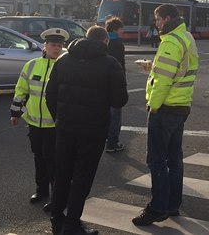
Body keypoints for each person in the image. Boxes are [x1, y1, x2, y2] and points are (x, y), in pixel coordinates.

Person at [46, 26, 128, 235]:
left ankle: (57, 218)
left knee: (62, 173)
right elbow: (120, 100)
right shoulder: (110, 64)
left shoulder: (63, 60)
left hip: (65, 127)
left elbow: (50, 94)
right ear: (105, 42)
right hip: (93, 130)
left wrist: (60, 116)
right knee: (82, 177)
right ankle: (73, 224)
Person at [132, 4, 199, 226]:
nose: (157, 23)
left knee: (157, 160)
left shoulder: (170, 41)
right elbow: (178, 70)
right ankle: (172, 204)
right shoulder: (186, 37)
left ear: (167, 18)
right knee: (174, 158)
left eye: (158, 19)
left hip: (166, 108)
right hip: (181, 106)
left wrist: (154, 105)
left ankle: (158, 208)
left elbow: (163, 80)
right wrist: (152, 67)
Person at [9, 28, 69, 213]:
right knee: (39, 157)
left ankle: (56, 197)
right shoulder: (32, 65)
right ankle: (41, 191)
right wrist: (15, 113)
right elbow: (21, 90)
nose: (56, 48)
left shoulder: (65, 66)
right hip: (34, 122)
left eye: (59, 45)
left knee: (53, 160)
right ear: (45, 46)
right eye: (53, 45)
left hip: (54, 124)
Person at [105, 17, 126, 153]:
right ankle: (113, 143)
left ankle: (106, 138)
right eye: (121, 29)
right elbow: (120, 65)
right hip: (114, 84)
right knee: (115, 114)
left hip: (102, 83)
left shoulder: (104, 41)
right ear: (115, 30)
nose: (123, 32)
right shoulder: (118, 44)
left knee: (105, 113)